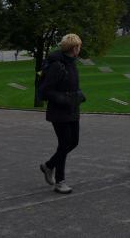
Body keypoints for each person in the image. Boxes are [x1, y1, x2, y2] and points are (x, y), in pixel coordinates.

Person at [38, 34, 85, 194]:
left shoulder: (72, 63)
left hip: (72, 109)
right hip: (59, 111)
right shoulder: (57, 65)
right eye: (79, 46)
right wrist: (64, 99)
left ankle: (49, 165)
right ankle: (60, 181)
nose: (80, 49)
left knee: (74, 142)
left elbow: (71, 85)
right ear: (74, 48)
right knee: (64, 144)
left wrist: (78, 95)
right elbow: (46, 90)